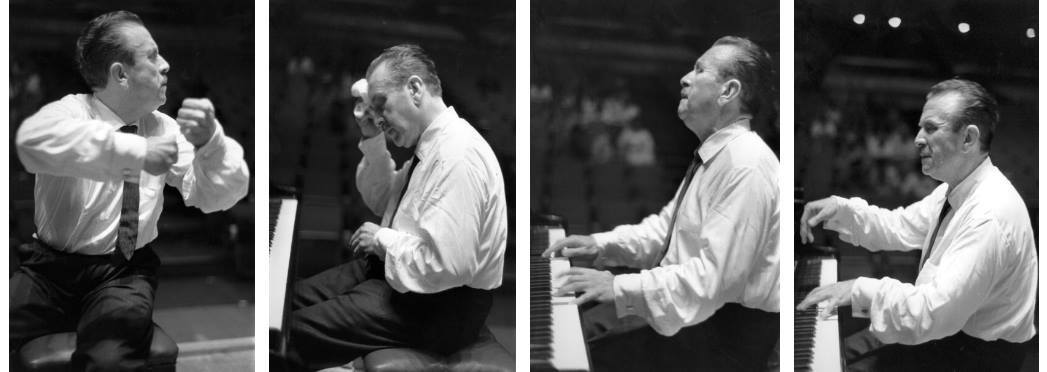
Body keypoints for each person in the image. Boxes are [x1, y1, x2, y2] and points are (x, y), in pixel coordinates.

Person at [11, 10, 250, 370]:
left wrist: (211, 143)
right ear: (120, 74)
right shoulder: (71, 111)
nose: (166, 65)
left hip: (123, 272)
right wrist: (137, 151)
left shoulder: (165, 128)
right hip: (48, 268)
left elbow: (219, 195)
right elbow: (31, 142)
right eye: (153, 56)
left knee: (109, 359)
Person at [543, 36, 780, 371]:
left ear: (729, 92)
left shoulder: (745, 164)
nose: (685, 78)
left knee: (575, 350)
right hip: (696, 322)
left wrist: (617, 285)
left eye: (699, 70)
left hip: (719, 344)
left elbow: (711, 281)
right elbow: (665, 230)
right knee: (575, 327)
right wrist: (600, 246)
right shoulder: (720, 153)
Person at [289, 44, 508, 369]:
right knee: (282, 301)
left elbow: (446, 267)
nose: (377, 119)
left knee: (289, 333)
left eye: (381, 106)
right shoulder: (432, 147)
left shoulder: (457, 155)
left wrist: (382, 239)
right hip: (400, 278)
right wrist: (372, 138)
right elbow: (381, 199)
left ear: (415, 89)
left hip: (440, 306)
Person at [797, 79, 1037, 371]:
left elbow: (932, 313)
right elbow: (900, 226)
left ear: (968, 139)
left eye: (931, 128)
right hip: (952, 336)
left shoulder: (989, 214)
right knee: (849, 347)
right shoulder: (957, 188)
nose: (918, 138)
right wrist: (841, 210)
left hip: (977, 357)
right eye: (920, 126)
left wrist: (856, 289)